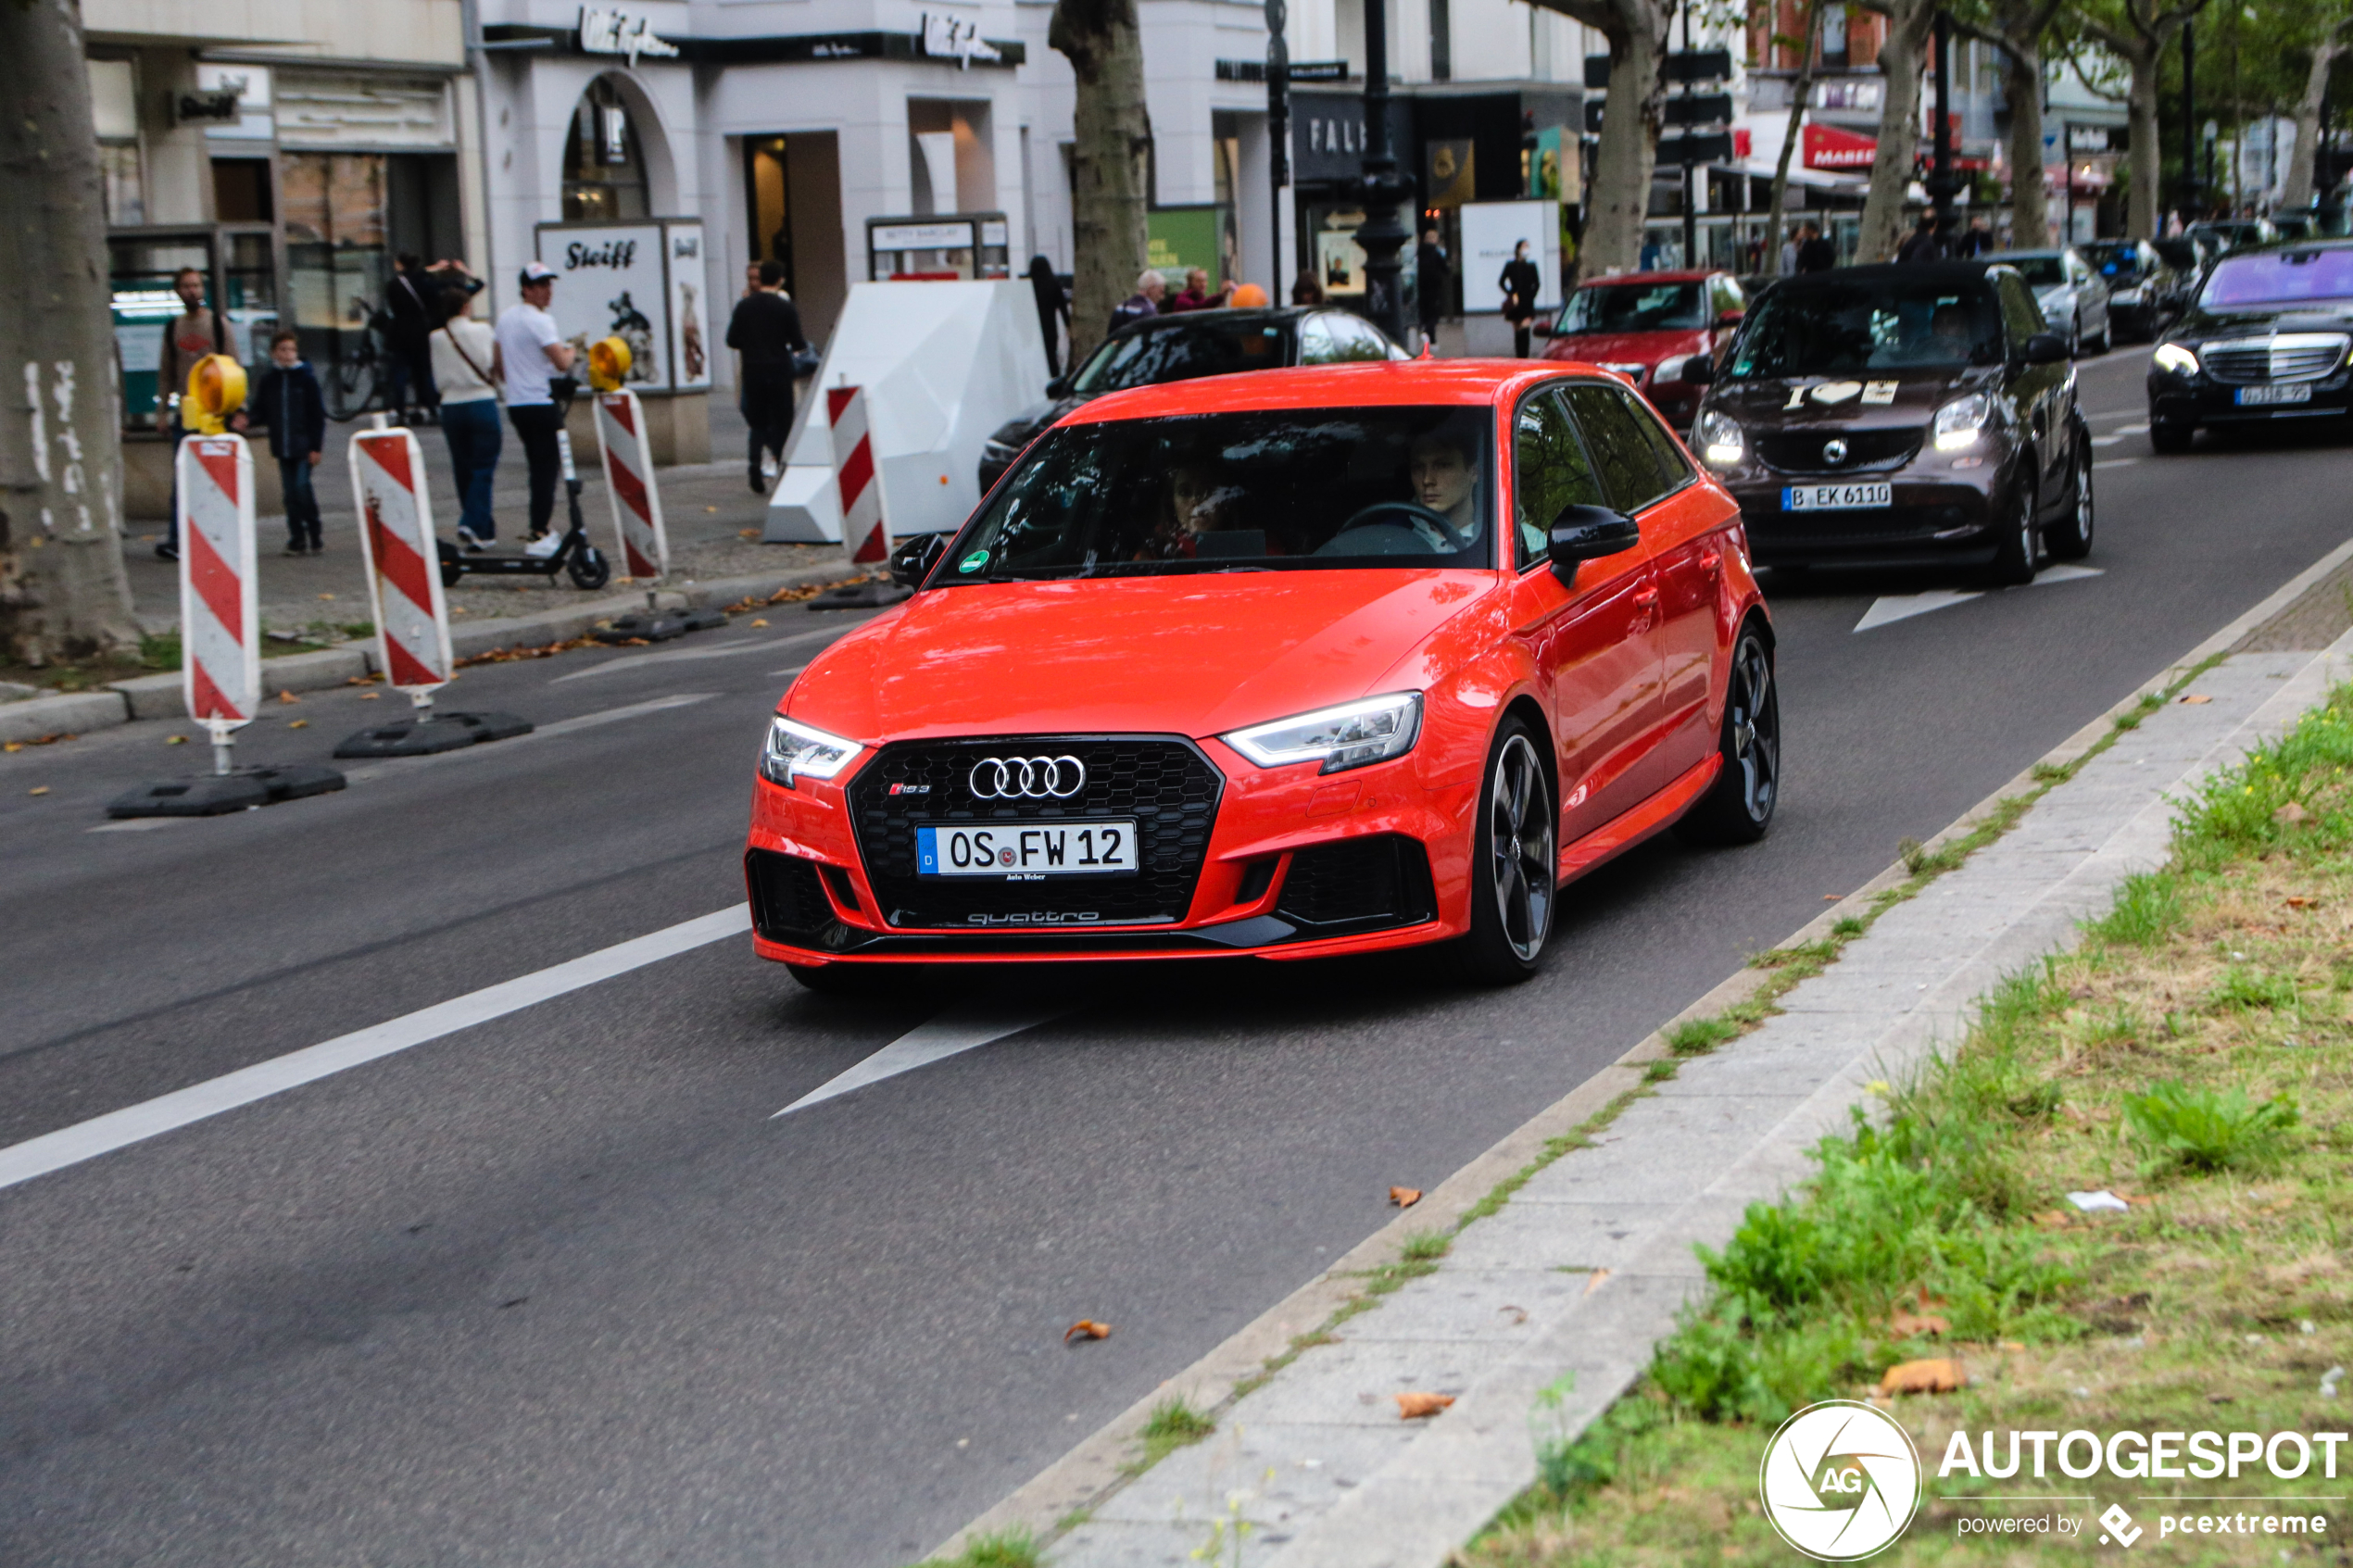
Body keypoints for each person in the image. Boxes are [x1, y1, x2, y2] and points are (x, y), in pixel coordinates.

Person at [157, 266, 237, 561]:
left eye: (197, 285)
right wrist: (162, 411)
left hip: (215, 413)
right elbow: (166, 372)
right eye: (186, 286)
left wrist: (237, 409)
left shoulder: (217, 325)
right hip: (186, 414)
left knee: (217, 475)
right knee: (182, 478)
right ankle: (178, 539)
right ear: (178, 291)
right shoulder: (172, 328)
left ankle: (220, 533)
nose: (192, 291)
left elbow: (233, 367)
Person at [496, 260, 577, 551]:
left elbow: (498, 364)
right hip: (541, 401)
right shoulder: (541, 321)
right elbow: (561, 361)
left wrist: (517, 377)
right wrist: (573, 349)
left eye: (549, 284)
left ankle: (539, 525)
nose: (547, 291)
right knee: (547, 469)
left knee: (537, 465)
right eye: (540, 285)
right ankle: (539, 530)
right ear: (526, 289)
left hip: (517, 403)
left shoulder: (505, 319)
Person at [726, 259, 809, 495]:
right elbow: (798, 343)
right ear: (780, 279)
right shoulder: (785, 307)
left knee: (758, 423)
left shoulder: (744, 306)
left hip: (752, 370)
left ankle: (754, 466)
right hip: (779, 371)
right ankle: (781, 468)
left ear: (760, 279)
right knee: (782, 422)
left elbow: (731, 340)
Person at [431, 286, 504, 550]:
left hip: (451, 404)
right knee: (483, 467)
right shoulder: (482, 330)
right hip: (481, 400)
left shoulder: (436, 337)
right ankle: (472, 522)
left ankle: (483, 532)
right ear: (465, 307)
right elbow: (493, 361)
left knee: (463, 469)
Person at [253, 330, 325, 556]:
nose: (288, 354)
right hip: (283, 446)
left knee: (302, 488)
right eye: (283, 350)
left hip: (303, 445)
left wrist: (316, 446)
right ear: (274, 353)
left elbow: (317, 416)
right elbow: (261, 411)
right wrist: (246, 419)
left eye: (292, 349)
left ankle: (314, 532)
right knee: (290, 494)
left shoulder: (306, 379)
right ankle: (297, 537)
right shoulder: (270, 381)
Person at [382, 253, 440, 424]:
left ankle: (400, 412)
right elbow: (433, 303)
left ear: (400, 264)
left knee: (400, 373)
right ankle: (432, 409)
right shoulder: (424, 283)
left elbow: (392, 306)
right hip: (421, 331)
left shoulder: (393, 284)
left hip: (400, 332)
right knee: (425, 372)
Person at [1407, 427, 1480, 541]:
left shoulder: (1499, 533)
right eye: (1418, 467)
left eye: (1443, 466)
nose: (1427, 480)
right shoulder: (1391, 532)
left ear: (1474, 472)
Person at [1026, 255, 1071, 376]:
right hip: (1050, 328)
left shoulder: (1029, 285)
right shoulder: (1053, 283)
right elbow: (1063, 307)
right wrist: (1069, 325)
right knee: (1051, 356)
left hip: (1031, 329)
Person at [1498, 240, 1541, 358]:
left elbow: (1537, 283)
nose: (1527, 249)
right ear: (1518, 249)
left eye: (1528, 246)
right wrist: (1510, 294)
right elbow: (1501, 281)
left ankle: (1525, 355)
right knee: (1517, 331)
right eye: (1524, 246)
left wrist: (1532, 295)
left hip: (1527, 301)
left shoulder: (1531, 266)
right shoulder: (1510, 265)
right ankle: (1519, 356)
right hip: (1516, 302)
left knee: (1525, 328)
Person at [1416, 227, 1451, 348]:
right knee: (1433, 314)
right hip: (1434, 288)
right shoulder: (1435, 253)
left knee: (1425, 312)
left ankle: (1431, 339)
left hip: (1421, 287)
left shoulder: (1419, 253)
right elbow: (1446, 269)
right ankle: (1428, 333)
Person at [1109, 270, 1164, 334]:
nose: (1162, 297)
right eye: (1161, 291)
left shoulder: (1120, 308)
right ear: (1151, 289)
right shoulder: (1149, 312)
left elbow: (1111, 337)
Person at [1166, 267, 1232, 314]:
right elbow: (1197, 307)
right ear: (1190, 283)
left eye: (1204, 280)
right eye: (1198, 281)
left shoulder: (1200, 297)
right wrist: (1220, 296)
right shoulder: (1182, 299)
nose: (1203, 284)